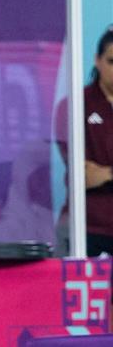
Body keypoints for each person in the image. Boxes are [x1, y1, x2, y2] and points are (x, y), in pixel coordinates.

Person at [57, 27, 113, 256]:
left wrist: (105, 174)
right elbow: (82, 175)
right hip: (86, 228)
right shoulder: (74, 106)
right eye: (111, 61)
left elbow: (95, 174)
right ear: (97, 60)